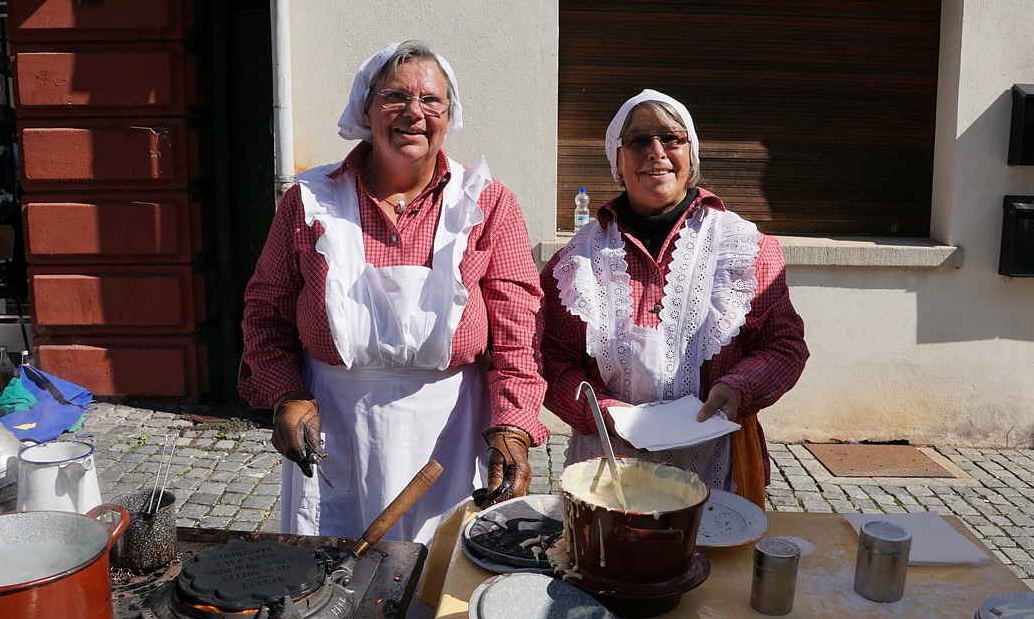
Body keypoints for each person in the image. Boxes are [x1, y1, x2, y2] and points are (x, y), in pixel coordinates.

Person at [239, 40, 548, 546]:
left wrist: (512, 426)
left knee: (435, 581)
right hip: (336, 432)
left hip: (448, 436)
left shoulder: (487, 205)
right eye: (395, 97)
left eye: (432, 101)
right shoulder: (309, 201)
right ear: (367, 107)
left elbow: (519, 334)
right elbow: (265, 312)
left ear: (450, 115)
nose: (414, 113)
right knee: (334, 585)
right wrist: (286, 396)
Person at [540, 90, 809, 505]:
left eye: (671, 139)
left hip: (717, 470)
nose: (656, 152)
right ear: (617, 159)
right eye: (638, 141)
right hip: (607, 466)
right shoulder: (577, 259)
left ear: (691, 154)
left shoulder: (745, 248)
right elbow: (550, 356)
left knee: (713, 568)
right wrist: (601, 411)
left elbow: (783, 345)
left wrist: (739, 388)